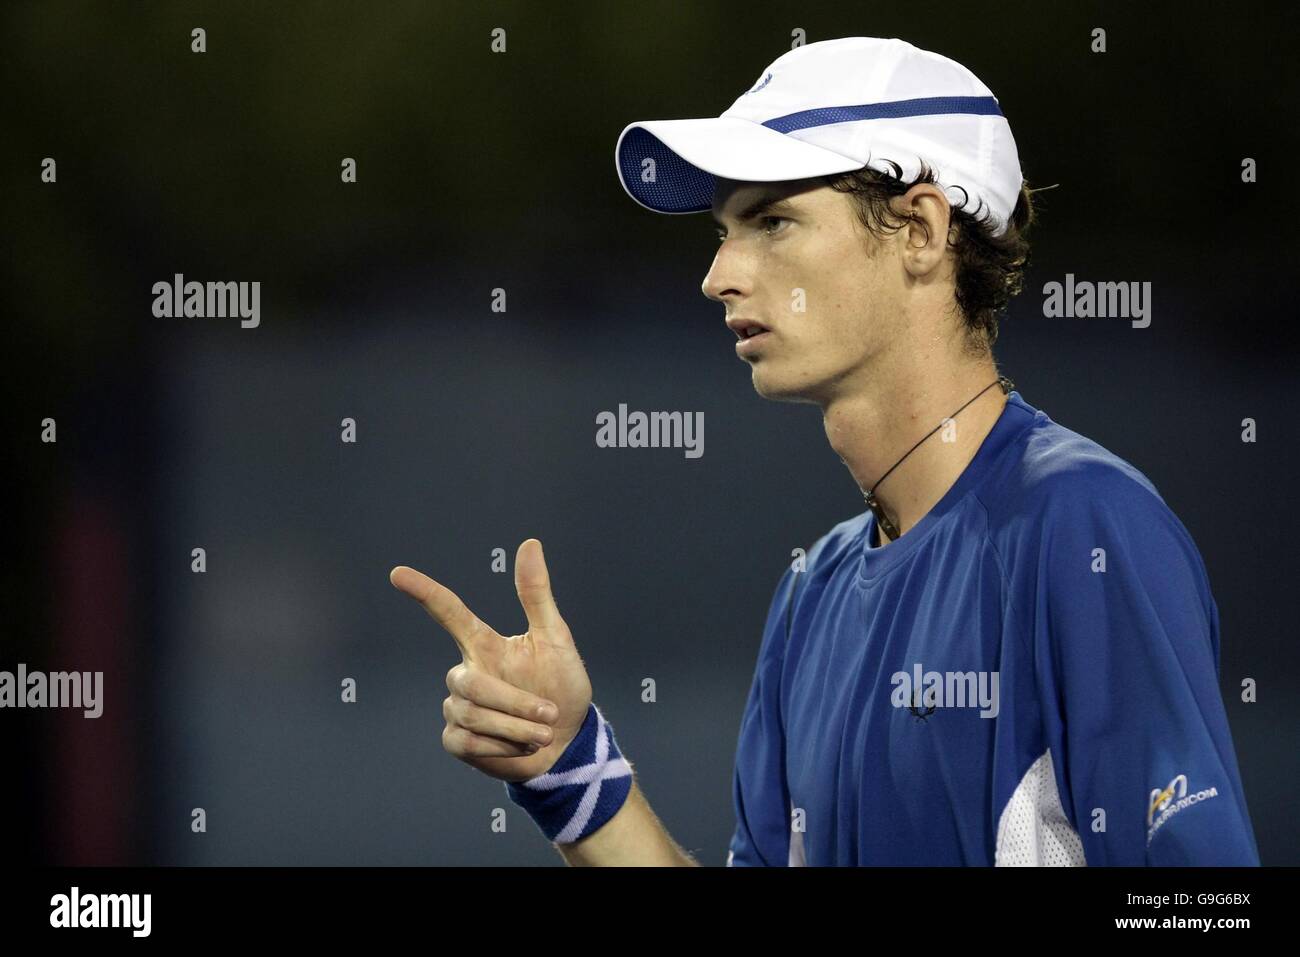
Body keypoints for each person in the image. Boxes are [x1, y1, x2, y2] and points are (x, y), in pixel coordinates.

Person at [390, 37, 1260, 866]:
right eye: (723, 230)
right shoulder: (814, 590)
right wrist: (569, 763)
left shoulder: (1083, 524)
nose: (719, 273)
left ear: (920, 229)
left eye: (772, 220)